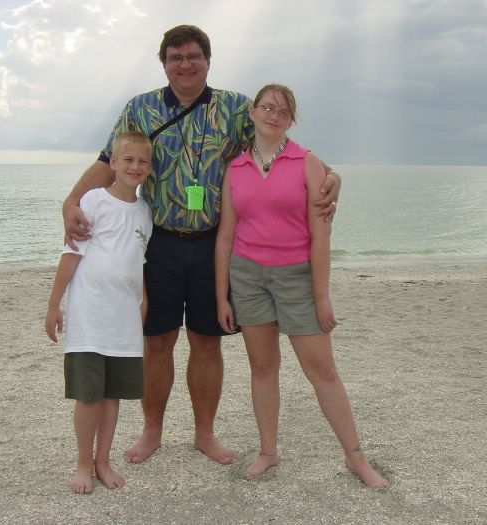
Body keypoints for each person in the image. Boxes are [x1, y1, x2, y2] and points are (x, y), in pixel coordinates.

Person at [61, 25, 341, 466]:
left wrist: (333, 175)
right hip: (160, 242)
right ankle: (152, 430)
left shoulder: (233, 108)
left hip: (215, 243)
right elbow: (106, 159)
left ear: (208, 61)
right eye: (176, 57)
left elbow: (280, 145)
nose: (185, 64)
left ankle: (204, 434)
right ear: (165, 63)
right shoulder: (141, 108)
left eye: (193, 56)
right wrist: (72, 200)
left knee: (206, 342)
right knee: (157, 341)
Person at [215, 84, 388, 488]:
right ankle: (268, 452)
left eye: (284, 111)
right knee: (263, 367)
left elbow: (320, 233)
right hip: (247, 276)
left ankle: (355, 457)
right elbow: (226, 234)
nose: (274, 115)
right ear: (254, 113)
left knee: (322, 371)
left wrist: (321, 293)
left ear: (291, 120)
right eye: (267, 108)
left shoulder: (307, 163)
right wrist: (222, 294)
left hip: (296, 276)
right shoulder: (235, 168)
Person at [45, 131, 154, 494]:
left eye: (142, 161)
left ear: (149, 168)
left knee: (112, 395)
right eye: (128, 160)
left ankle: (102, 460)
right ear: (113, 163)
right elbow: (72, 252)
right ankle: (82, 462)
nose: (135, 166)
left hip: (124, 320)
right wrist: (53, 304)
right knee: (89, 394)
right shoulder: (93, 200)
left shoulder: (145, 211)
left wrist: (143, 303)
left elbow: (137, 262)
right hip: (90, 315)